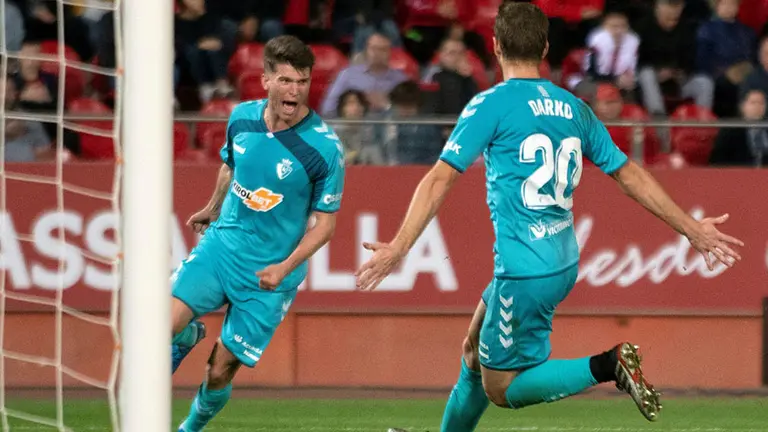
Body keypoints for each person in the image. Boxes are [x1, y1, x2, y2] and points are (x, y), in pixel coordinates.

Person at [354, 3, 743, 431]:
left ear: (495, 45)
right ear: (544, 47)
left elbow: (439, 179)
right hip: (560, 257)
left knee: (499, 388)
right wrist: (692, 229)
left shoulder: (490, 104)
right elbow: (629, 175)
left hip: (524, 269)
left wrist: (399, 247)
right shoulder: (574, 107)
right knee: (472, 351)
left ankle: (607, 365)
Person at [170, 35, 346, 432]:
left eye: (302, 82)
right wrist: (213, 207)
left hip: (268, 275)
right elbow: (229, 166)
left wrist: (284, 268)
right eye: (285, 80)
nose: (294, 91)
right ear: (265, 80)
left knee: (219, 372)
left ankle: (189, 429)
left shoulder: (323, 149)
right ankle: (185, 336)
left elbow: (326, 225)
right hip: (221, 248)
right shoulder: (241, 118)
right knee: (160, 324)